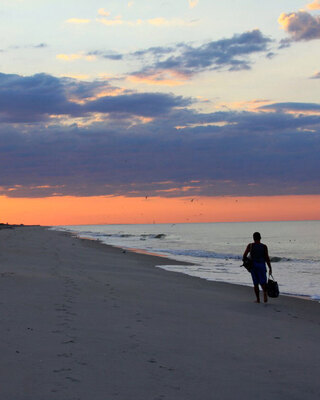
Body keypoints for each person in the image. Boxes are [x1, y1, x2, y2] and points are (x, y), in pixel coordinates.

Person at [243, 232, 272, 303]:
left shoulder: (250, 246)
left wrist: (247, 264)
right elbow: (267, 258)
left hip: (253, 266)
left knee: (255, 283)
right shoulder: (264, 246)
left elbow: (244, 256)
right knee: (263, 282)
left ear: (253, 238)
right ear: (260, 238)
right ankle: (265, 293)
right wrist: (270, 267)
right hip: (262, 265)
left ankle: (258, 299)